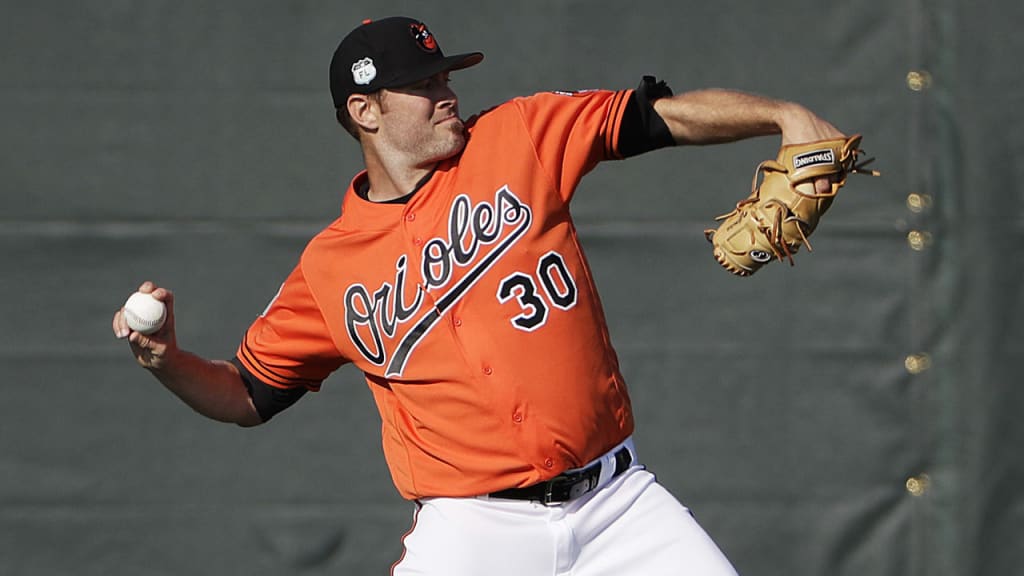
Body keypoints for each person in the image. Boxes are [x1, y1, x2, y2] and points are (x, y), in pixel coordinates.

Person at [113, 16, 844, 575]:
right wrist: (166, 361)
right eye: (423, 84)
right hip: (474, 530)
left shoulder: (518, 136)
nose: (447, 94)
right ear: (366, 113)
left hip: (620, 505)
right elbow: (247, 393)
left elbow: (656, 116)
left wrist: (783, 115)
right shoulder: (329, 267)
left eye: (445, 77)